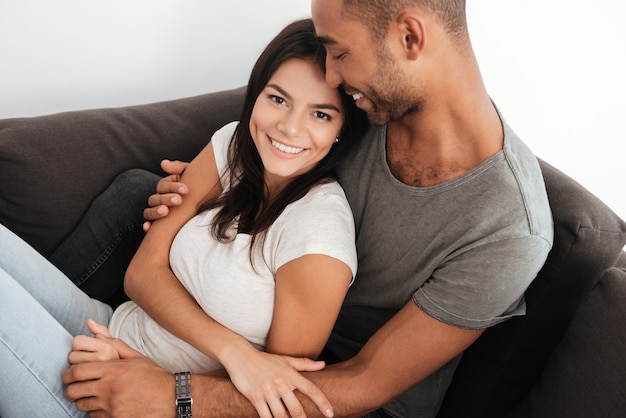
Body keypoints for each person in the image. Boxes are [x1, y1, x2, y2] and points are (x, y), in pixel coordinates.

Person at [62, 1, 554, 417]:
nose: (332, 74)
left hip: (325, 392)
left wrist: (175, 395)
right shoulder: (372, 105)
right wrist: (196, 191)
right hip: (248, 320)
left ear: (409, 36)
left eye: (339, 52)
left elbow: (364, 383)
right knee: (135, 193)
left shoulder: (508, 230)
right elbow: (268, 124)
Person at [0, 18, 368, 418]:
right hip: (108, 328)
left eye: (320, 114)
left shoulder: (318, 236)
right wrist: (234, 352)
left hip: (132, 404)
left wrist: (157, 385)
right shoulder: (232, 144)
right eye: (277, 99)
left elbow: (270, 393)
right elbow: (141, 274)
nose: (289, 128)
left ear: (342, 129)